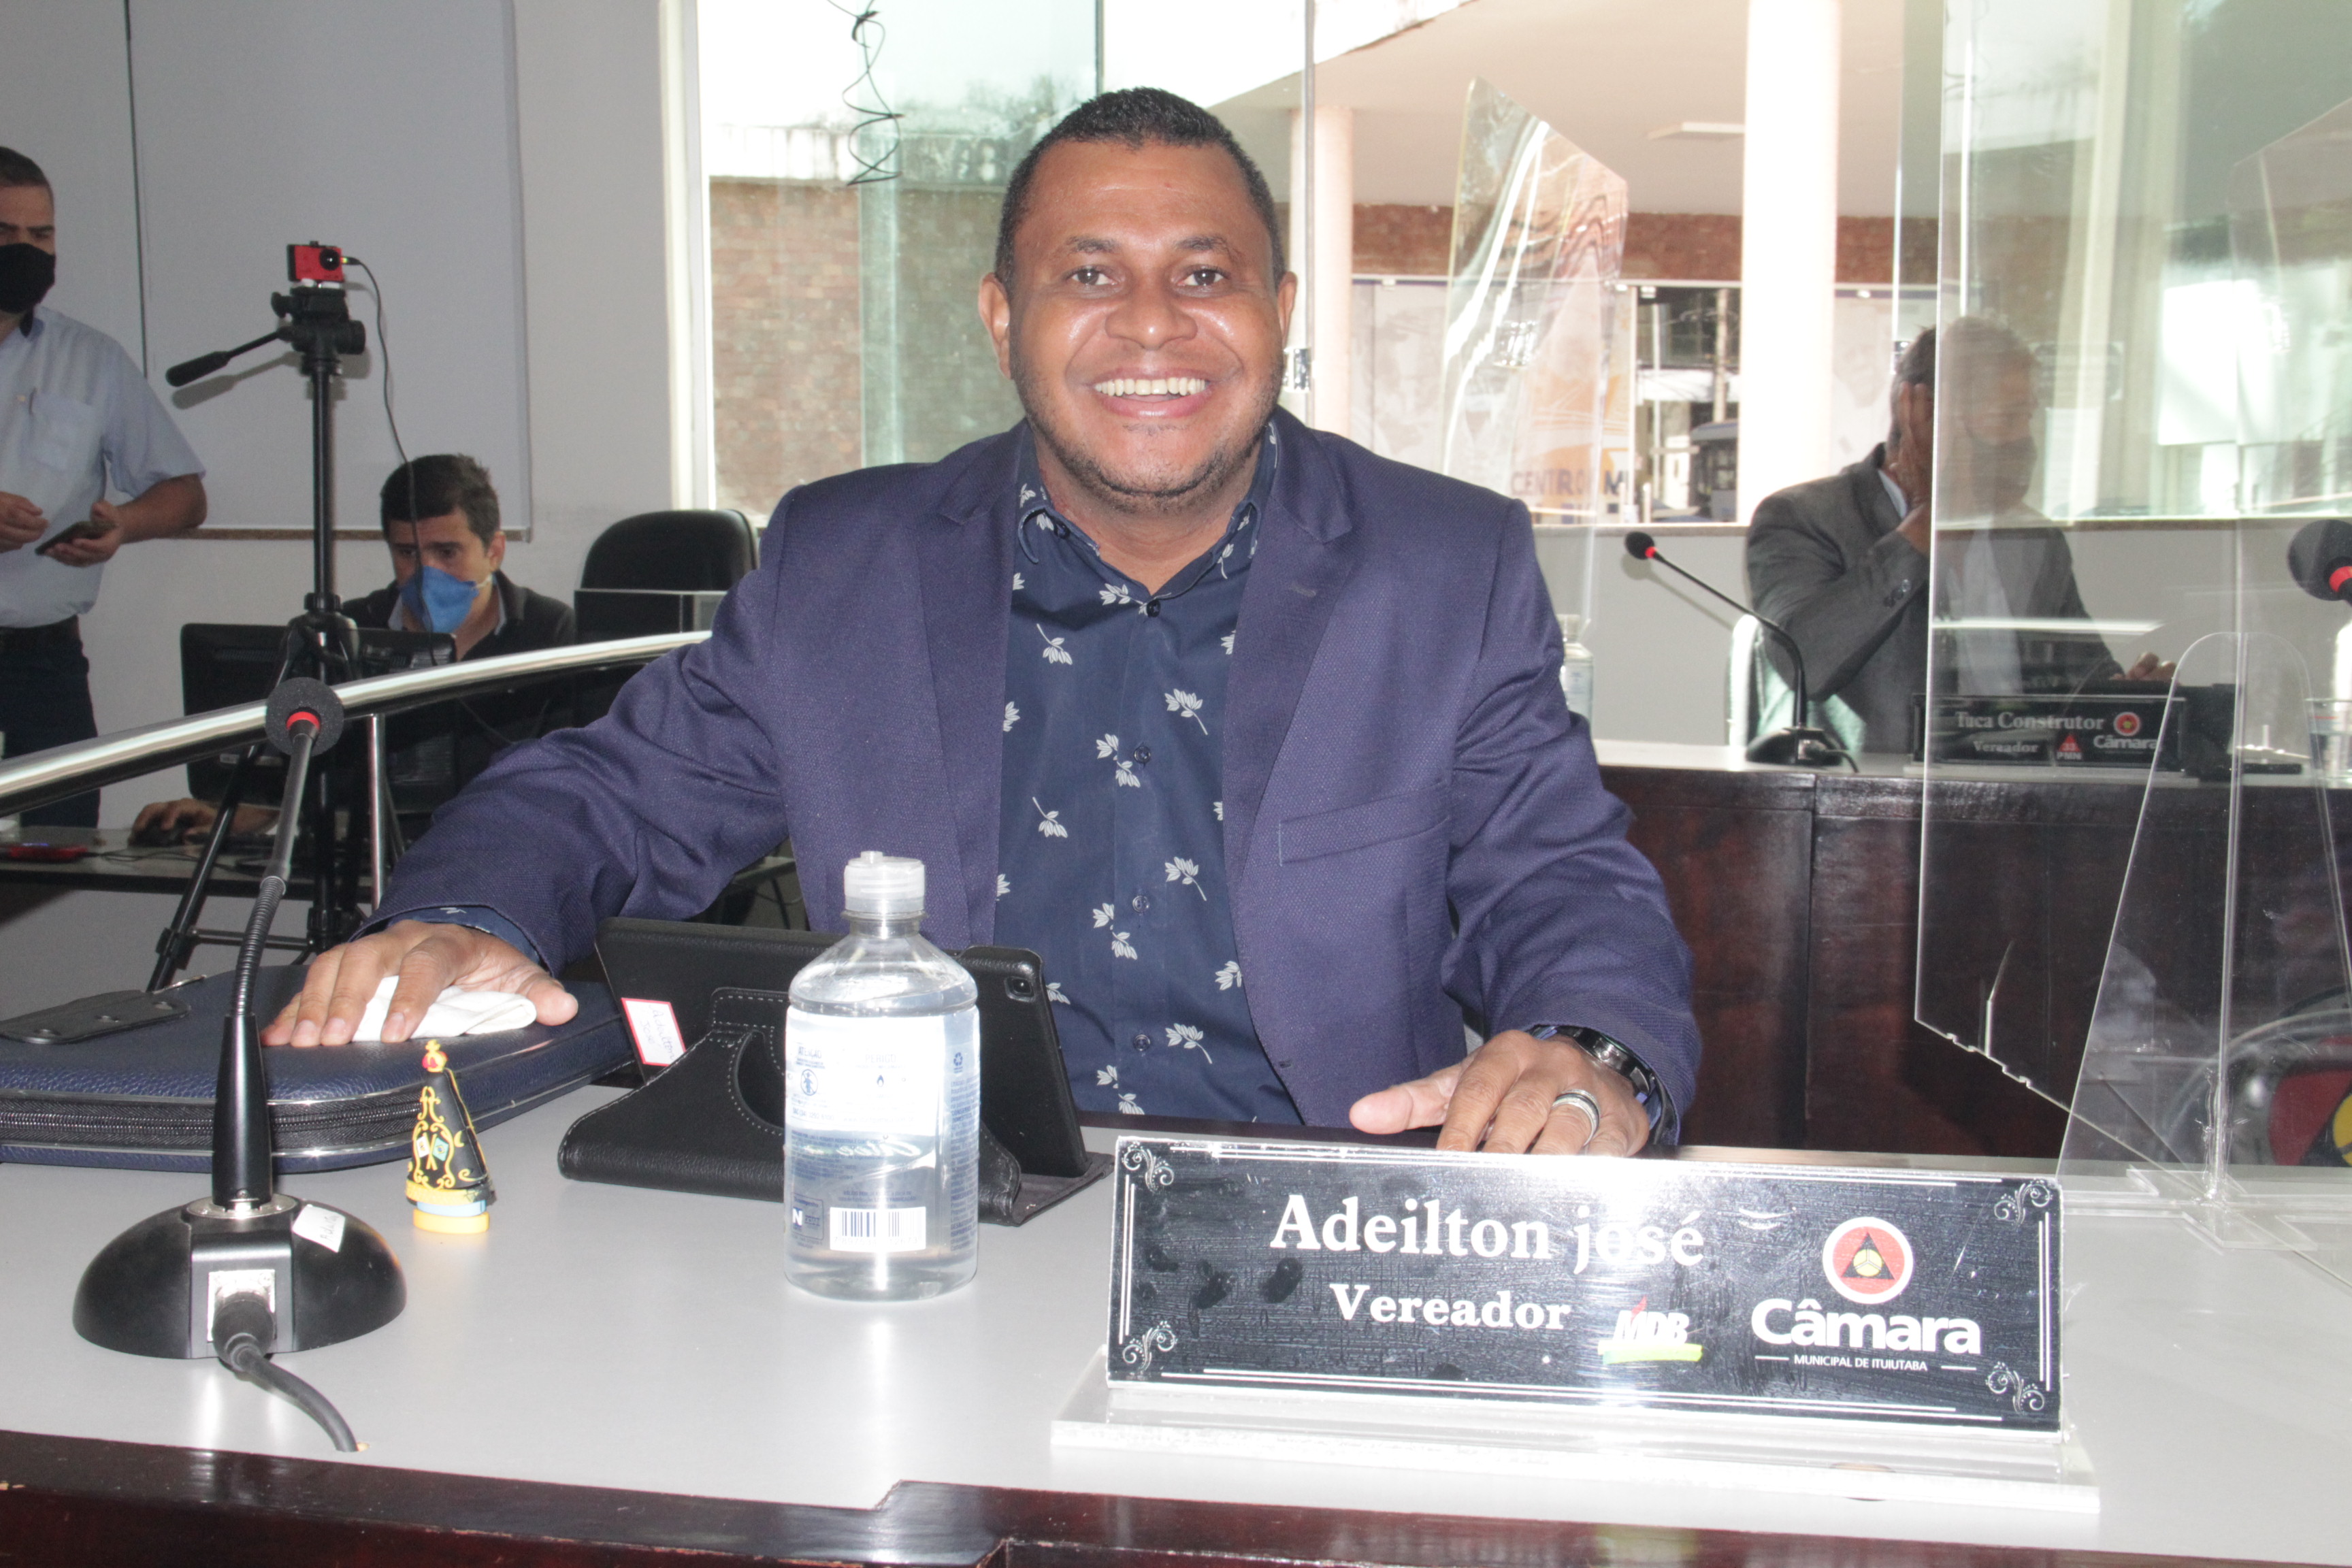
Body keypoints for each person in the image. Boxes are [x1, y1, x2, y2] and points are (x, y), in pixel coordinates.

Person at [264, 90, 1699, 1159]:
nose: (1153, 322)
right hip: (933, 1201)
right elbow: (613, 792)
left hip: (1309, 1203)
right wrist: (458, 922)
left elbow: (1558, 875)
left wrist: (1593, 1048)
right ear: (1004, 318)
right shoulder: (845, 565)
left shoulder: (1443, 566)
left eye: (1206, 274)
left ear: (1280, 310)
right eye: (1090, 274)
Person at [1746, 318, 2167, 753]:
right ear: (1924, 414)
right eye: (2007, 418)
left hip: (2020, 785)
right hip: (1880, 789)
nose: (2023, 438)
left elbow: (2081, 687)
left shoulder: (2034, 540)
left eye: (2026, 416)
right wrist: (1931, 519)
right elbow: (1806, 665)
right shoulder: (1805, 519)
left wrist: (2132, 700)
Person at [135, 454, 575, 843]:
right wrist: (240, 811)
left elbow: (576, 786)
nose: (427, 573)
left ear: (494, 551)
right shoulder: (349, 635)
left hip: (504, 859)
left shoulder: (552, 634)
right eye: (408, 553)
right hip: (373, 864)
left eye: (447, 552)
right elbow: (315, 774)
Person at [0, 146, 208, 826]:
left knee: (58, 853)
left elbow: (185, 494)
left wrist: (124, 523)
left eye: (41, 235)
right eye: (5, 232)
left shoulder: (90, 359)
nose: (25, 251)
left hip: (42, 664)